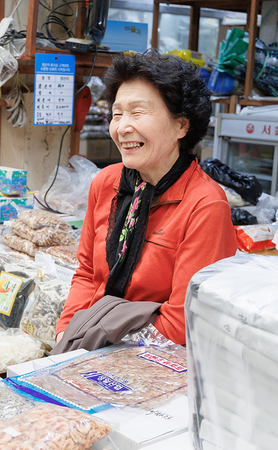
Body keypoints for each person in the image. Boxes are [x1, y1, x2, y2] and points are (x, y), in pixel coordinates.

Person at [54, 51, 237, 348]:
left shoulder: (204, 204)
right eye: (117, 114)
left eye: (138, 113)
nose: (123, 127)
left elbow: (182, 324)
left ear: (181, 125)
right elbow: (87, 273)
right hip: (89, 344)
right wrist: (66, 331)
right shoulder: (106, 183)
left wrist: (102, 348)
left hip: (153, 363)